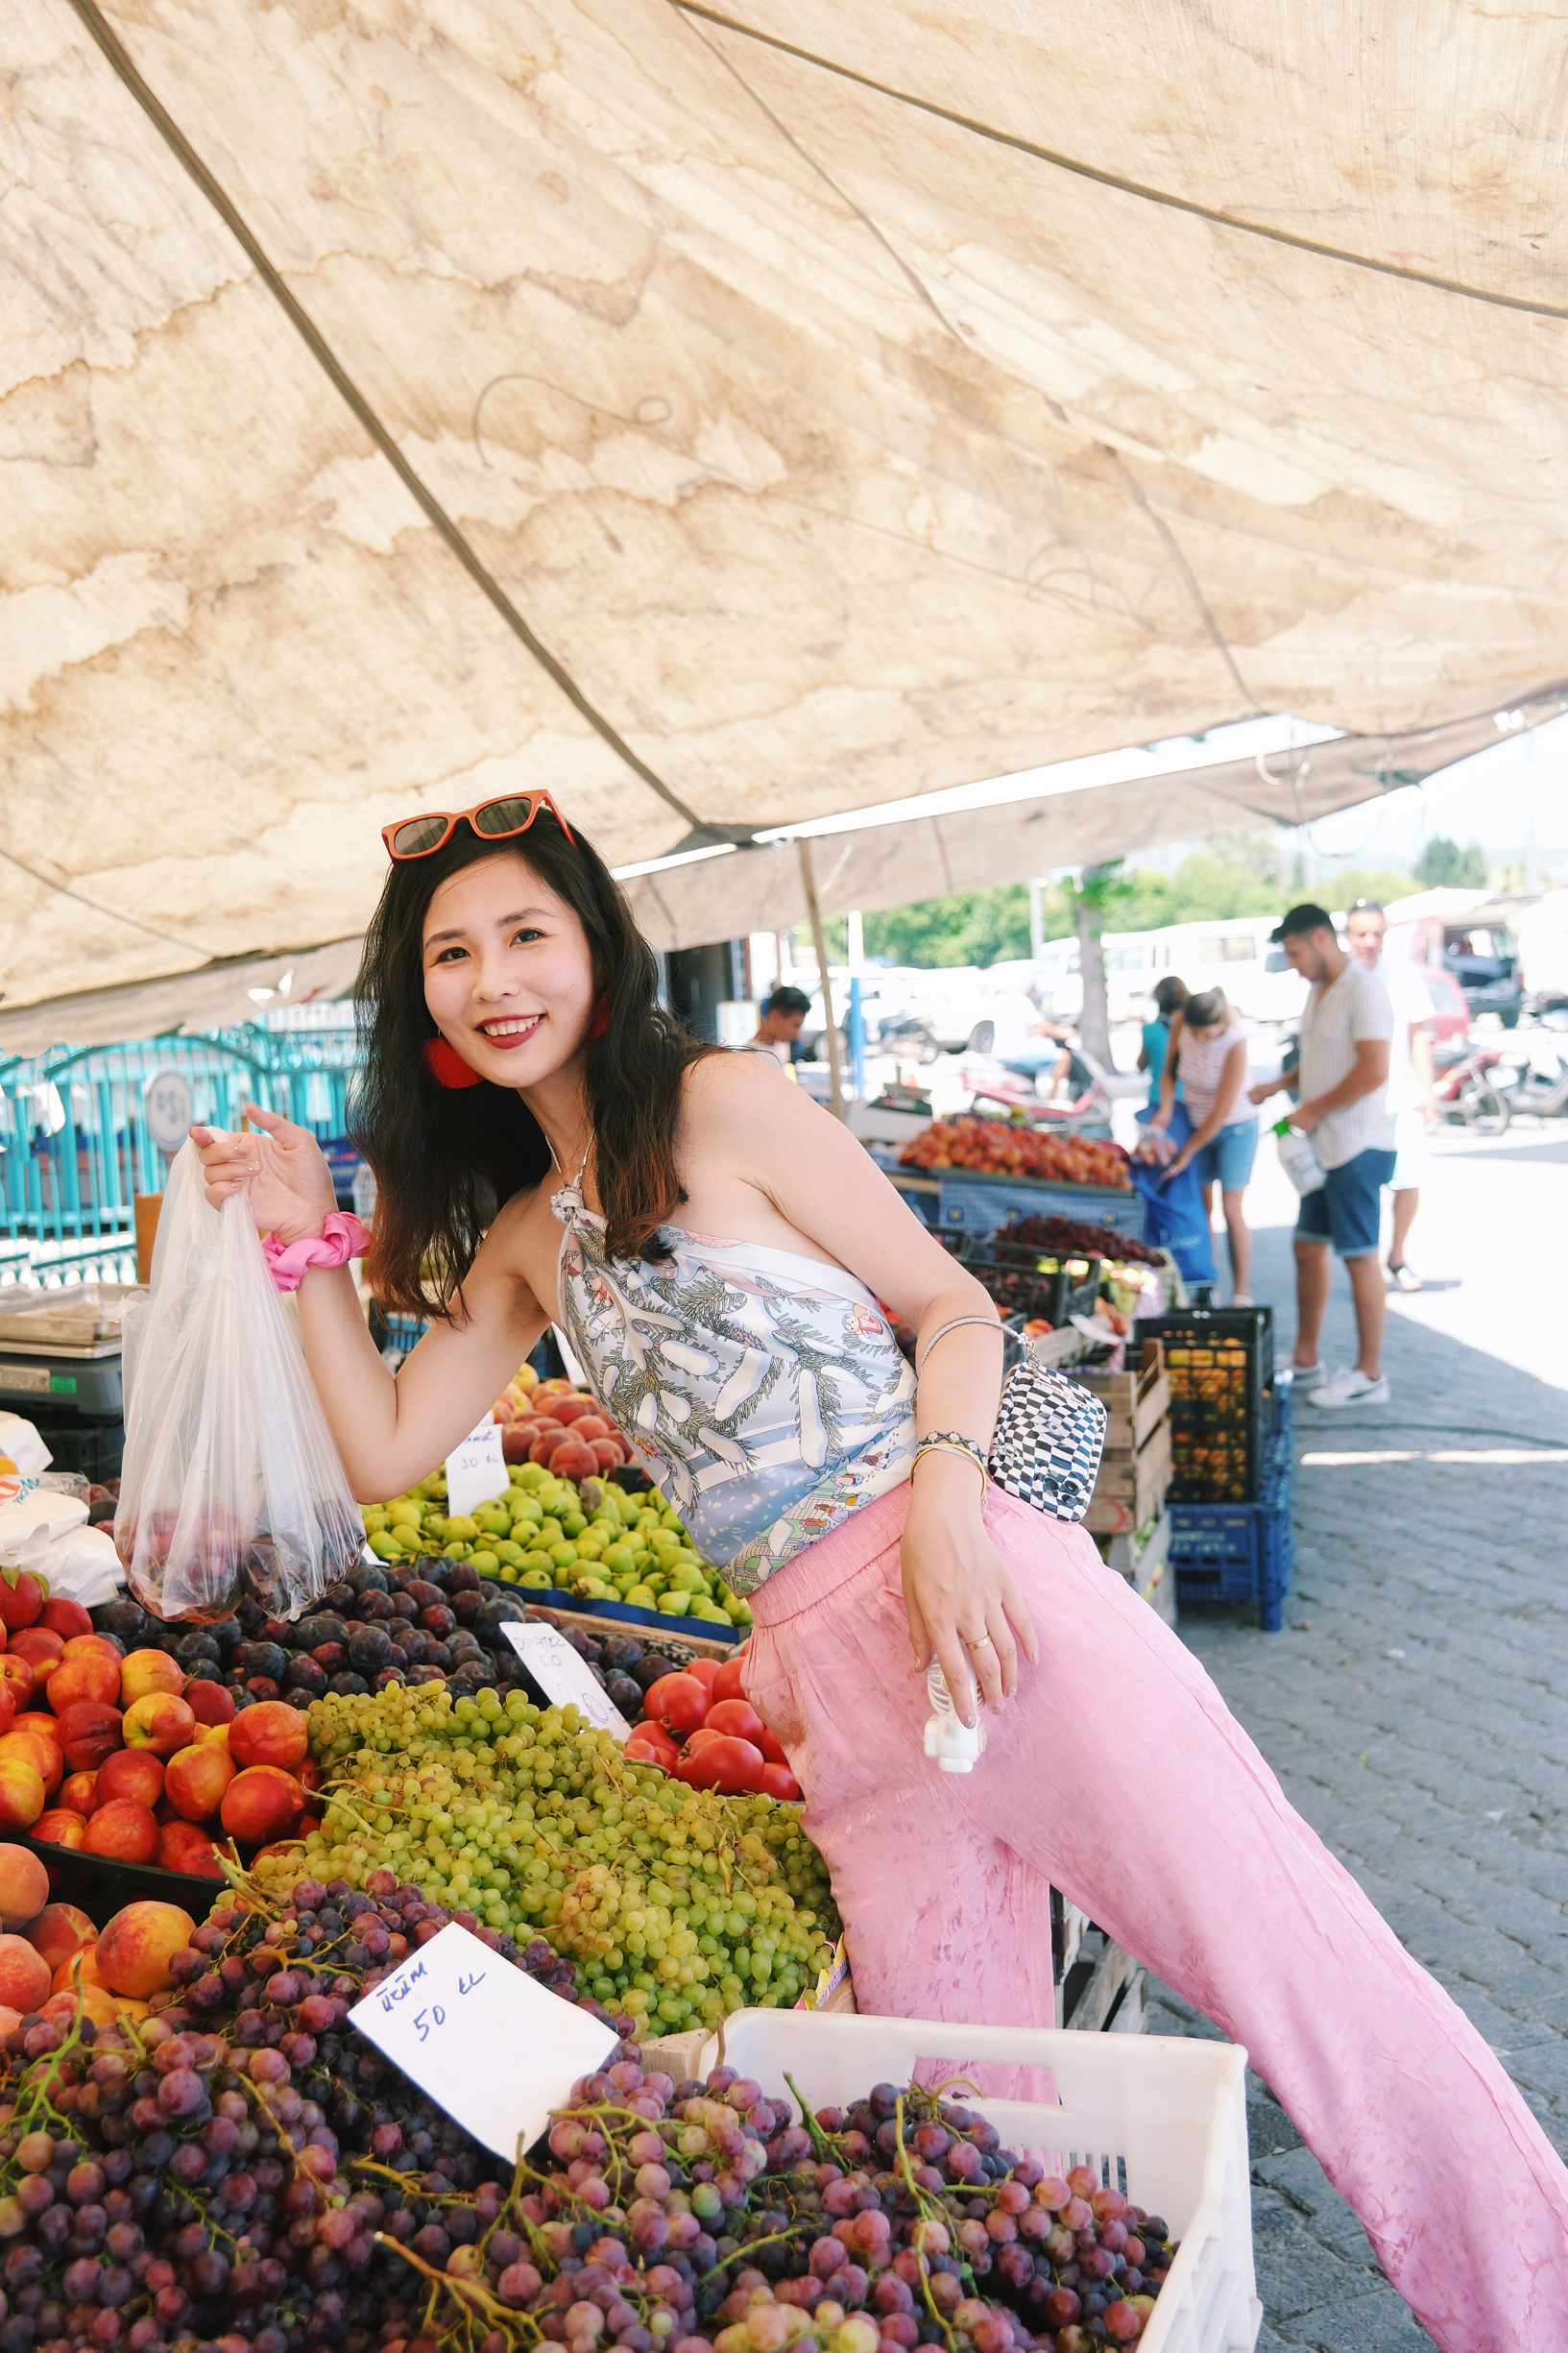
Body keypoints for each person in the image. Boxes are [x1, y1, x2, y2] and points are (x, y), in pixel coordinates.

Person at [193, 799, 1568, 2351]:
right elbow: (382, 1447)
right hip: (831, 1706)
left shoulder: (723, 1100)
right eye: (451, 954)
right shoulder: (526, 1234)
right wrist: (302, 1247)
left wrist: (941, 1501)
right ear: (422, 1000)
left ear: (594, 948)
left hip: (991, 1609)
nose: (492, 977)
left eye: (525, 935)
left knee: (1310, 1982)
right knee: (953, 2132)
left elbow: (948, 1308)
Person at [1250, 903, 1395, 1407]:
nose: (1292, 963)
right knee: (1308, 1247)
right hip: (1323, 1149)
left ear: (1318, 938)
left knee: (1359, 1258)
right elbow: (1323, 1062)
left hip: (1358, 1145)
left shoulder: (1365, 988)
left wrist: (1311, 1109)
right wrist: (1279, 1085)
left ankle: (1369, 1374)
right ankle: (1307, 1361)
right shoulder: (1318, 991)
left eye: (1293, 952)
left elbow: (1373, 1070)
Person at [1344, 899, 1437, 1291]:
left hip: (1399, 1099)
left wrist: (1428, 1091)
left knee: (1408, 1181)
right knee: (1361, 1190)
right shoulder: (1339, 979)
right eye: (1361, 933)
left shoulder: (1402, 974)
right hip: (1353, 1107)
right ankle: (1366, 1263)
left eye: (1377, 933)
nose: (1369, 941)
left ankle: (1396, 1256)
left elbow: (1418, 1036)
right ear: (1346, 936)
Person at [1151, 985, 1258, 1304]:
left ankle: (1241, 1290)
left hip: (1234, 1128)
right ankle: (1207, 1281)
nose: (1198, 1039)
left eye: (1205, 1033)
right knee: (1202, 1208)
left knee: (1231, 1208)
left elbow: (1222, 1110)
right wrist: (1165, 1110)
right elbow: (1169, 1073)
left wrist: (1187, 1152)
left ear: (1221, 1022)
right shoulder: (1182, 1024)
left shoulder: (1235, 1044)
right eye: (1193, 1032)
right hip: (1195, 1124)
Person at [1137, 974, 1189, 1106]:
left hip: (1158, 1098)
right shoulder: (1194, 1029)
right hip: (1188, 1097)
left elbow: (1141, 1065)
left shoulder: (1149, 1029)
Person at [747, 983, 811, 1065]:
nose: (797, 1034)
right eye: (795, 1025)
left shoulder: (768, 1053)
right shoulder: (753, 1057)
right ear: (775, 1016)